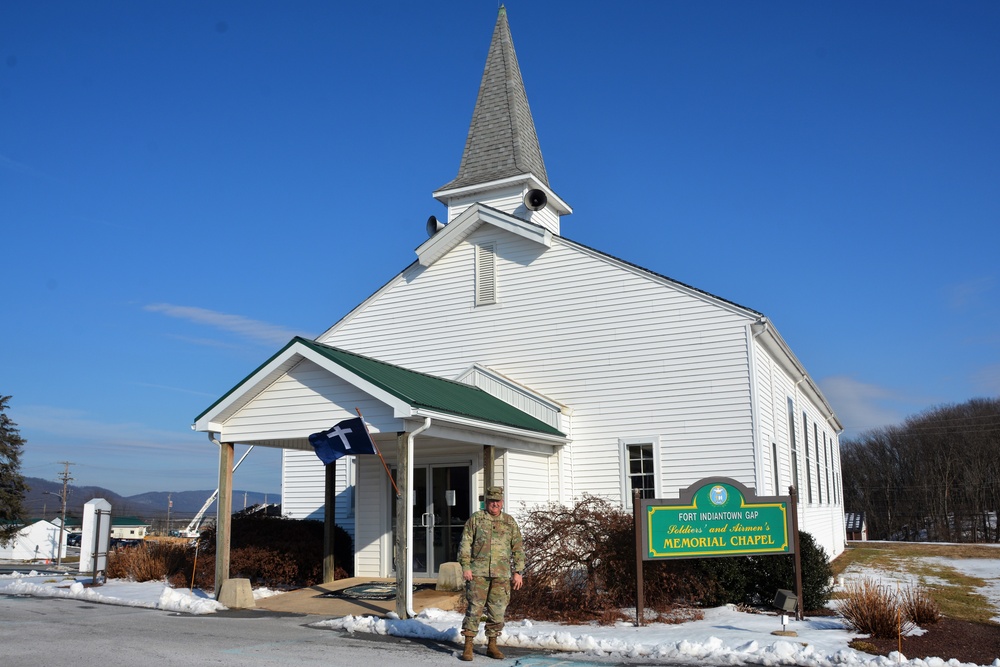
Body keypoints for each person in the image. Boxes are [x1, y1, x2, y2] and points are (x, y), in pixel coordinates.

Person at [457, 486, 525, 661]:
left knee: (497, 611)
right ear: (486, 502)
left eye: (497, 501)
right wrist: (466, 566)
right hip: (477, 574)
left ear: (502, 503)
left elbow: (517, 548)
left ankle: (492, 645)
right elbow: (465, 544)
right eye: (491, 501)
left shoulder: (509, 522)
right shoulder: (476, 519)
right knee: (474, 610)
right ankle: (468, 646)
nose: (494, 504)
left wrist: (518, 571)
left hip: (501, 574)